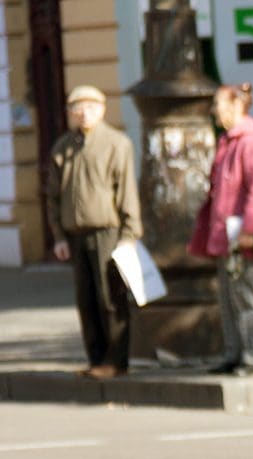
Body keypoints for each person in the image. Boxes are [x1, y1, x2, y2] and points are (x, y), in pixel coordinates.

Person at [44, 84, 142, 380]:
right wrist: (59, 236)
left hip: (107, 231)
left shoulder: (116, 143)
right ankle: (96, 358)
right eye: (77, 107)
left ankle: (116, 360)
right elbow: (53, 196)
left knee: (110, 298)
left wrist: (128, 236)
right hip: (76, 234)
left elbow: (127, 193)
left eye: (90, 107)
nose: (83, 113)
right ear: (71, 113)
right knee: (86, 300)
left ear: (101, 110)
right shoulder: (63, 147)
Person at [188, 82, 253, 376]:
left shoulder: (249, 143)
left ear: (237, 106)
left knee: (246, 296)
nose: (214, 110)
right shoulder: (230, 142)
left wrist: (251, 230)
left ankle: (252, 357)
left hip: (243, 236)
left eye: (218, 104)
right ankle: (233, 354)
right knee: (228, 297)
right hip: (228, 235)